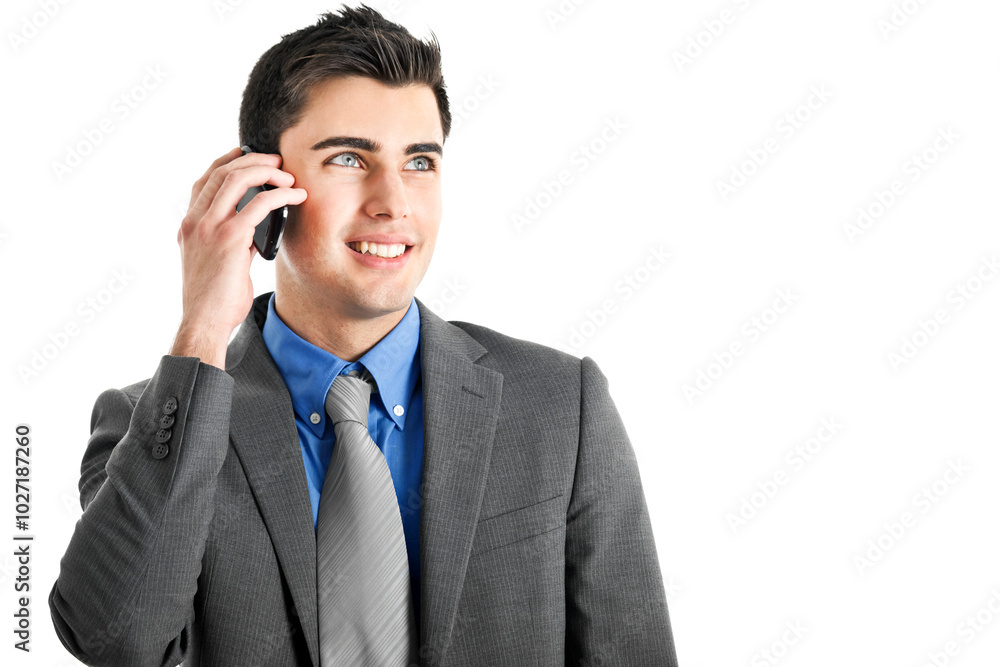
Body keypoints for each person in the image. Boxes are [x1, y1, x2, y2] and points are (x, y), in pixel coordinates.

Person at [48, 4, 678, 665]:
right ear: (259, 189)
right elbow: (115, 638)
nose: (393, 202)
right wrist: (202, 326)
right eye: (349, 158)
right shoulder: (155, 421)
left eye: (420, 162)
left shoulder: (560, 405)